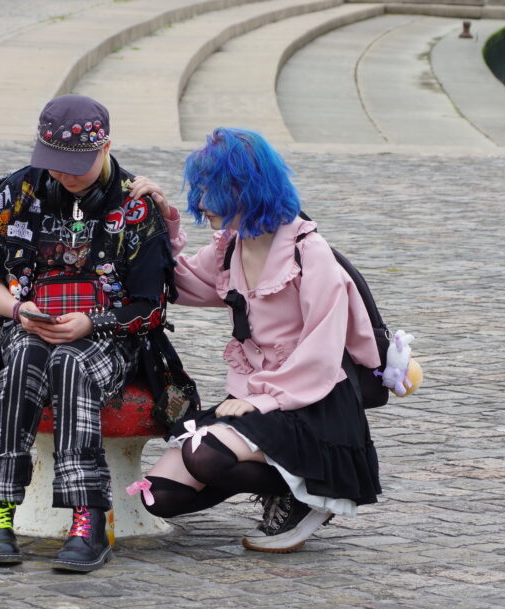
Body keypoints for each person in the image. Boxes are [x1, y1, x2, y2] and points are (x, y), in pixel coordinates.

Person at [132, 128, 383, 553]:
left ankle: (303, 495)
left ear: (243, 189)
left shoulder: (310, 252)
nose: (202, 204)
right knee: (159, 495)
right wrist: (163, 219)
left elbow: (322, 351)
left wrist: (261, 400)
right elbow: (180, 284)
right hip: (255, 401)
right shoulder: (232, 245)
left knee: (203, 455)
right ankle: (285, 486)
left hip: (312, 402)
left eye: (209, 191)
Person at [0, 95, 183, 572]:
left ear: (106, 146)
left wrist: (93, 321)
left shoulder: (136, 205)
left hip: (113, 337)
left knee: (70, 363)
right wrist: (20, 310)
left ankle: (89, 514)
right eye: (55, 165)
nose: (65, 175)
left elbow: (150, 306)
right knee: (23, 360)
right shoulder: (12, 195)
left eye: (76, 165)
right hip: (25, 323)